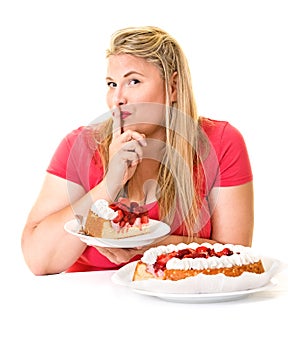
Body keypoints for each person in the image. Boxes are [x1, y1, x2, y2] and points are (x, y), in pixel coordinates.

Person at [21, 26, 254, 275]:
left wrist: (149, 244)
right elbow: (39, 260)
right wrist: (109, 184)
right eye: (112, 84)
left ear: (173, 87)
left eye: (133, 81)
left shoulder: (221, 142)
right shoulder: (79, 147)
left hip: (184, 303)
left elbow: (234, 258)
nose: (117, 99)